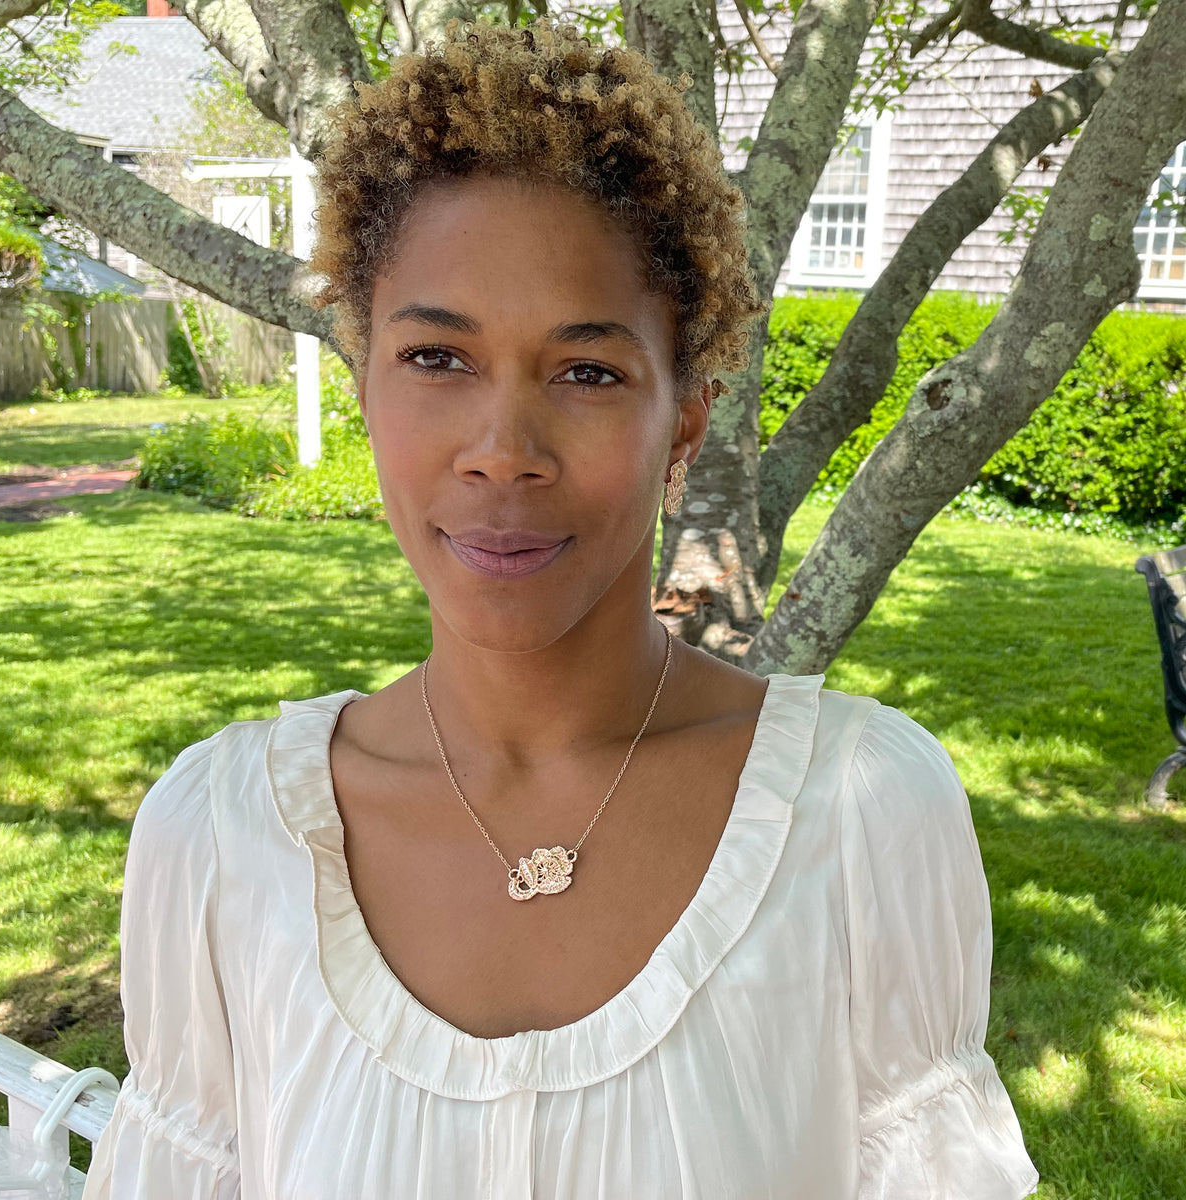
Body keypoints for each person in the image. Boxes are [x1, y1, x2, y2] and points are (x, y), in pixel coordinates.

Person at [83, 17, 1039, 1198]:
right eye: (438, 358)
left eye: (588, 372)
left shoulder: (859, 821)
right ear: (366, 379)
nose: (503, 452)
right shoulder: (222, 844)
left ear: (683, 419)